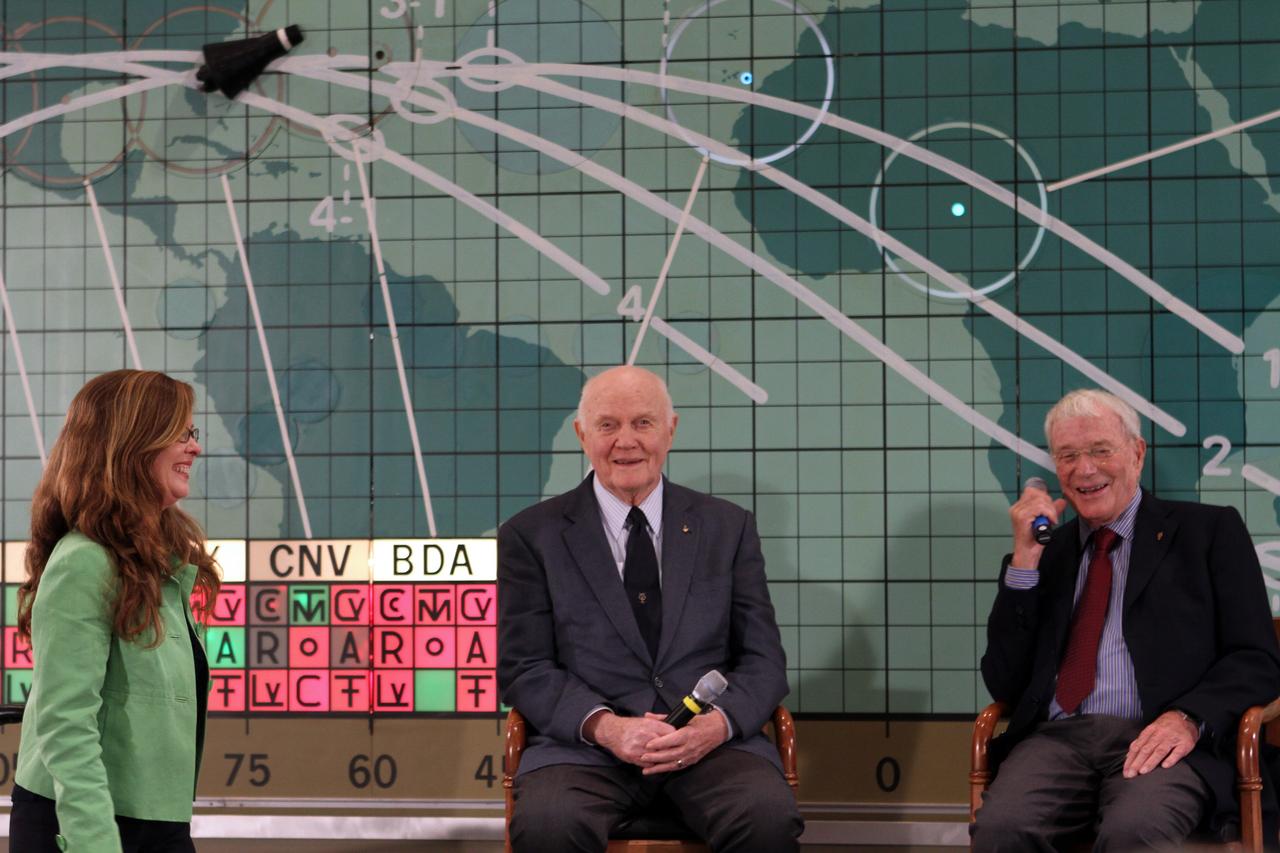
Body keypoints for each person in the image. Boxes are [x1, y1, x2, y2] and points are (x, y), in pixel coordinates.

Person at [497, 365, 803, 853]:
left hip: (711, 750)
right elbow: (526, 668)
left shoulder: (728, 527)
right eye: (607, 425)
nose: (626, 441)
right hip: (584, 753)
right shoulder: (530, 535)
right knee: (548, 825)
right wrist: (609, 728)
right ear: (581, 434)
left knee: (766, 817)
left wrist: (713, 727)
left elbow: (764, 662)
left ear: (671, 429)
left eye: (643, 423)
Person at [972, 388, 1280, 851]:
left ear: (1137, 453)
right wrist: (1023, 562)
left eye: (1100, 450)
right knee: (1002, 830)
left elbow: (1256, 659)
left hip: (1162, 736)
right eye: (1068, 455)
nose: (1085, 469)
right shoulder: (1043, 556)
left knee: (1133, 832)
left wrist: (1188, 718)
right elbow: (1005, 683)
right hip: (1057, 739)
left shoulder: (1208, 532)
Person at [11, 370, 219, 853]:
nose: (195, 448)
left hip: (151, 822)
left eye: (194, 433)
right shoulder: (86, 560)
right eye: (181, 433)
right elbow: (66, 723)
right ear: (132, 441)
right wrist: (95, 842)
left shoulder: (156, 562)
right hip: (90, 824)